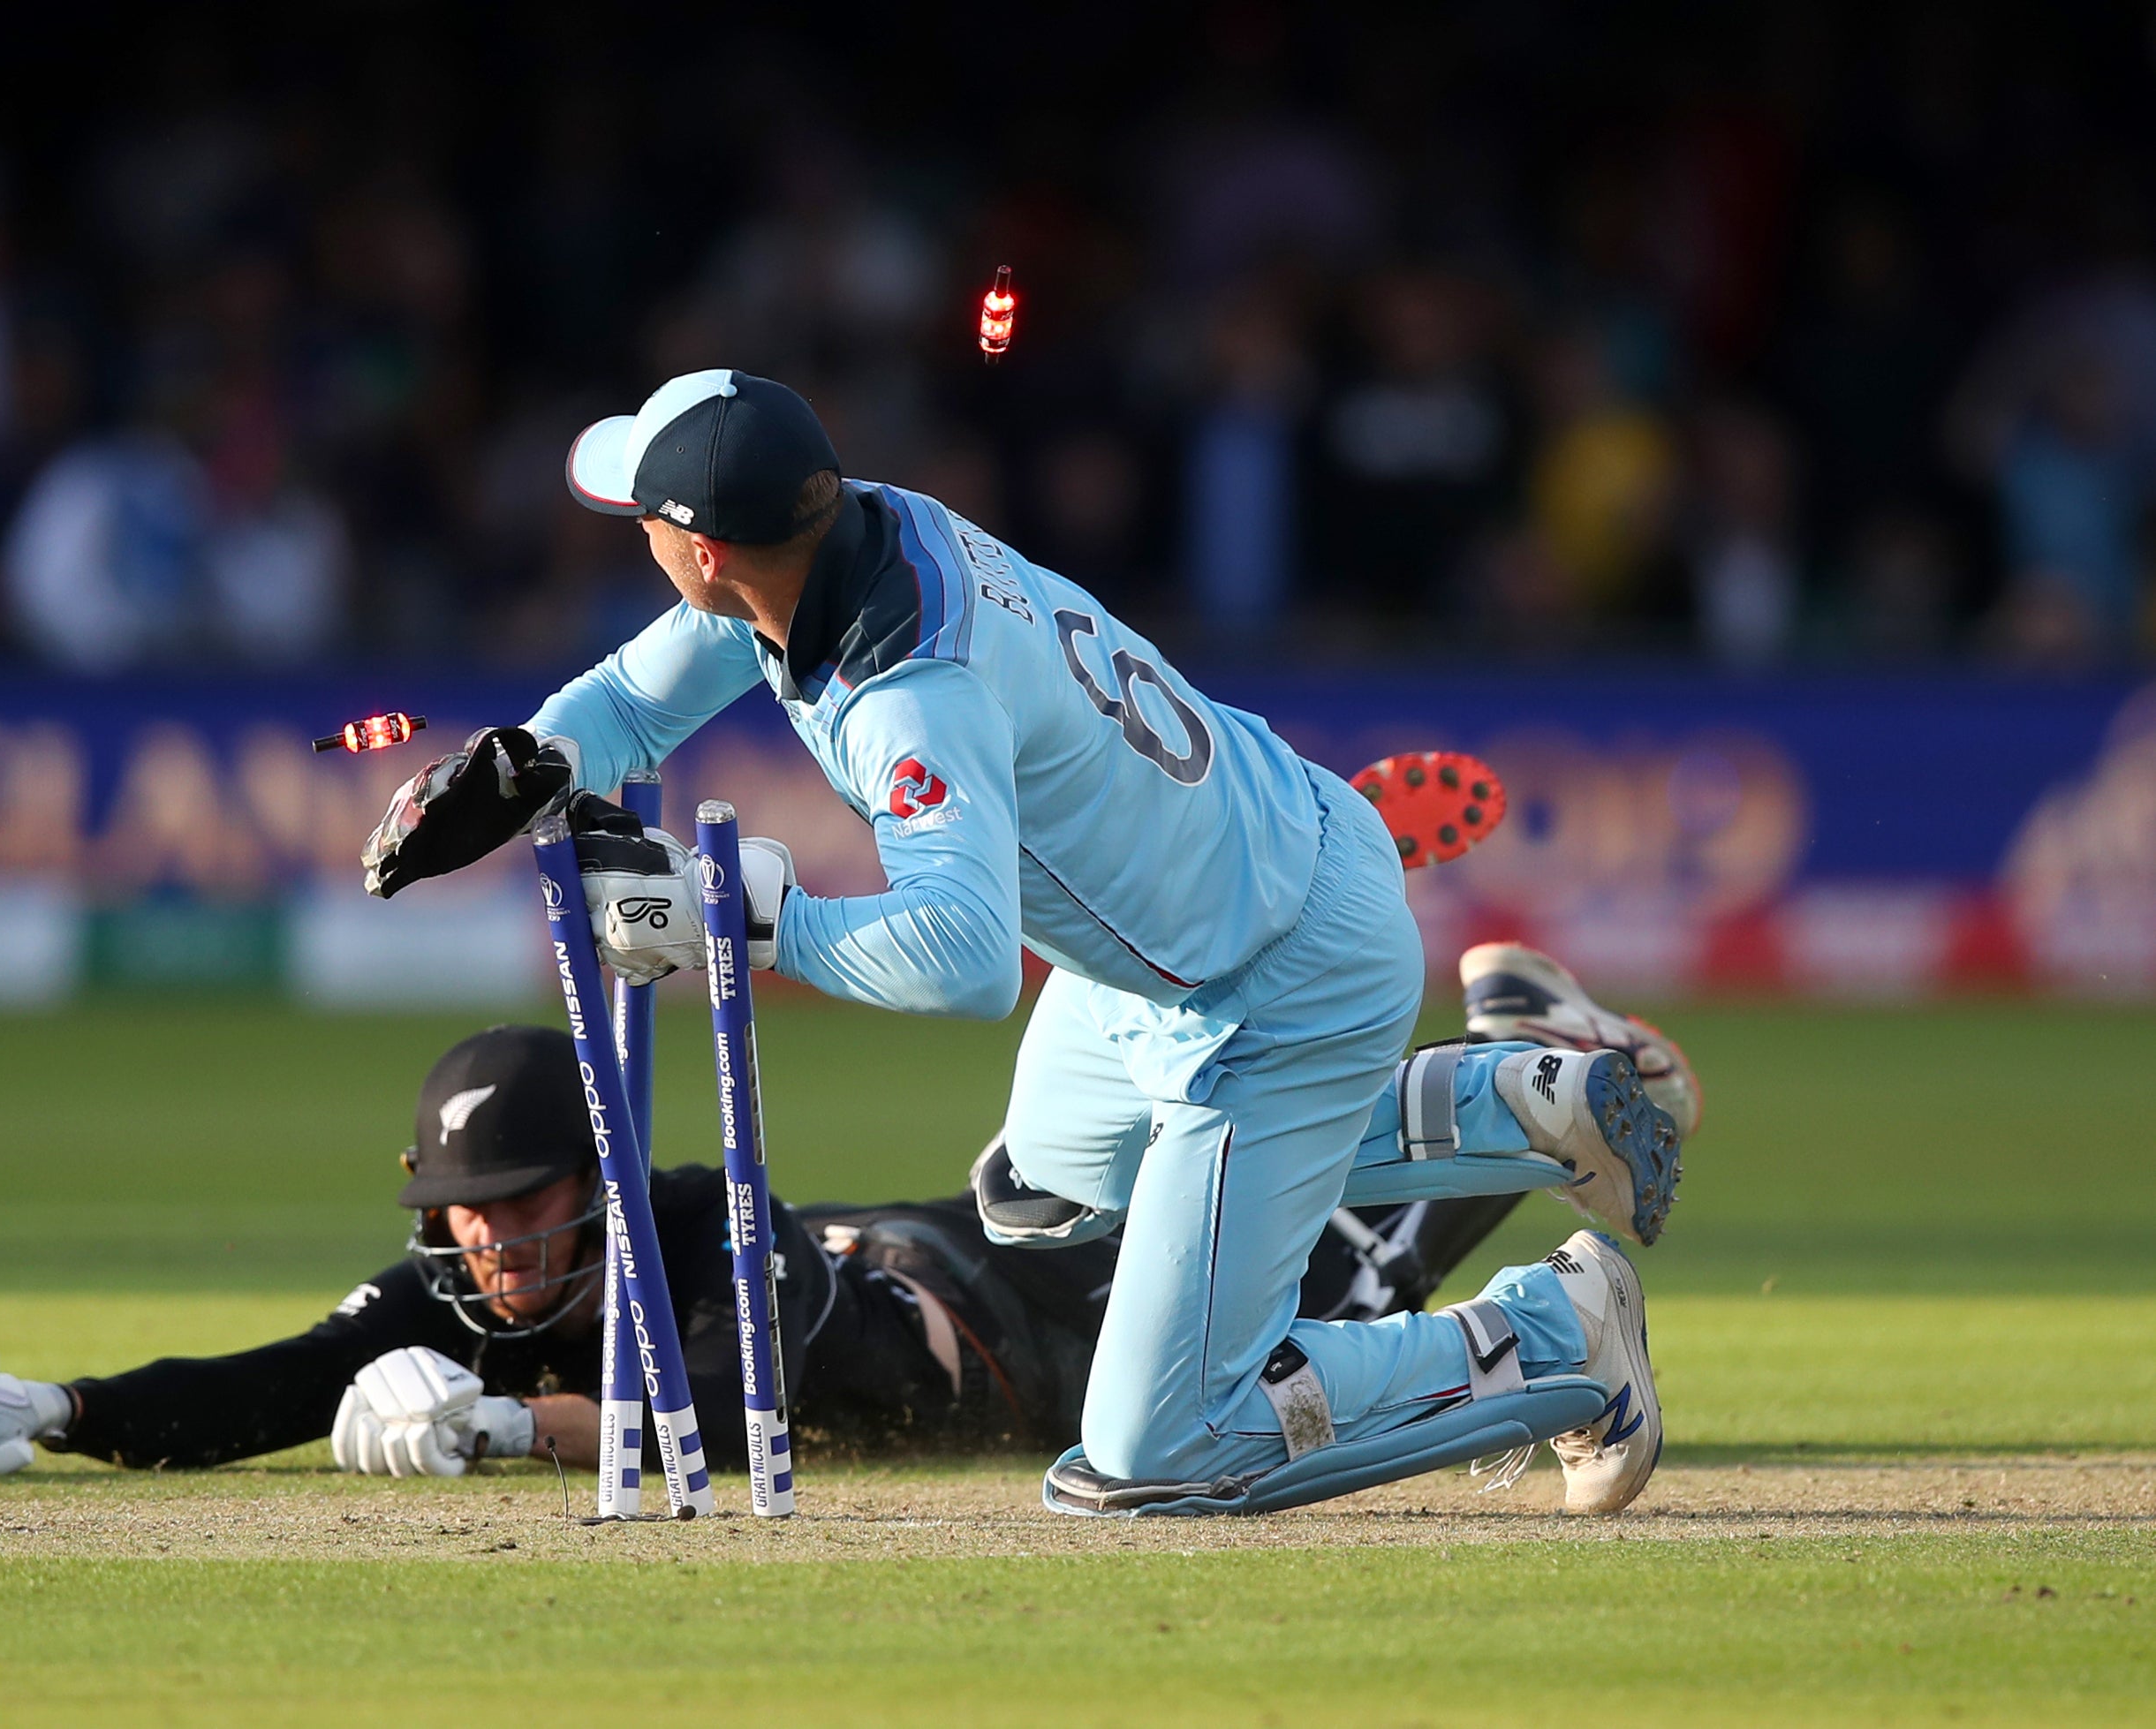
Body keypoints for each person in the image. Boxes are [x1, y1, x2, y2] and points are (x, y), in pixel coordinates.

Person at [353, 370, 1688, 1517]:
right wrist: (529, 763)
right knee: (1034, 1194)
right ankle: (1513, 1094)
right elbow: (642, 694)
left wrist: (750, 925)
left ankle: (1559, 1337)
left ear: (702, 547)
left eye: (642, 512)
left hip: (1275, 986)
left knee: (1151, 1455)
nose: (631, 530)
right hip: (1217, 904)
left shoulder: (906, 694)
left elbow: (970, 958)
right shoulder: (848, 529)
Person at [0, 948, 1698, 1482]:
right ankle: (1528, 1067)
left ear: (590, 1181)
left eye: (519, 1205)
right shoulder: (473, 1281)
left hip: (1030, 1312)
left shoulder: (690, 1223)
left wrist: (511, 1428)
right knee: (1304, 1237)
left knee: (1317, 1262)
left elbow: (738, 1417)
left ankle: (1559, 1092)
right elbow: (274, 1379)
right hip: (973, 1249)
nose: (489, 1244)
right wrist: (69, 1411)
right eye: (464, 1215)